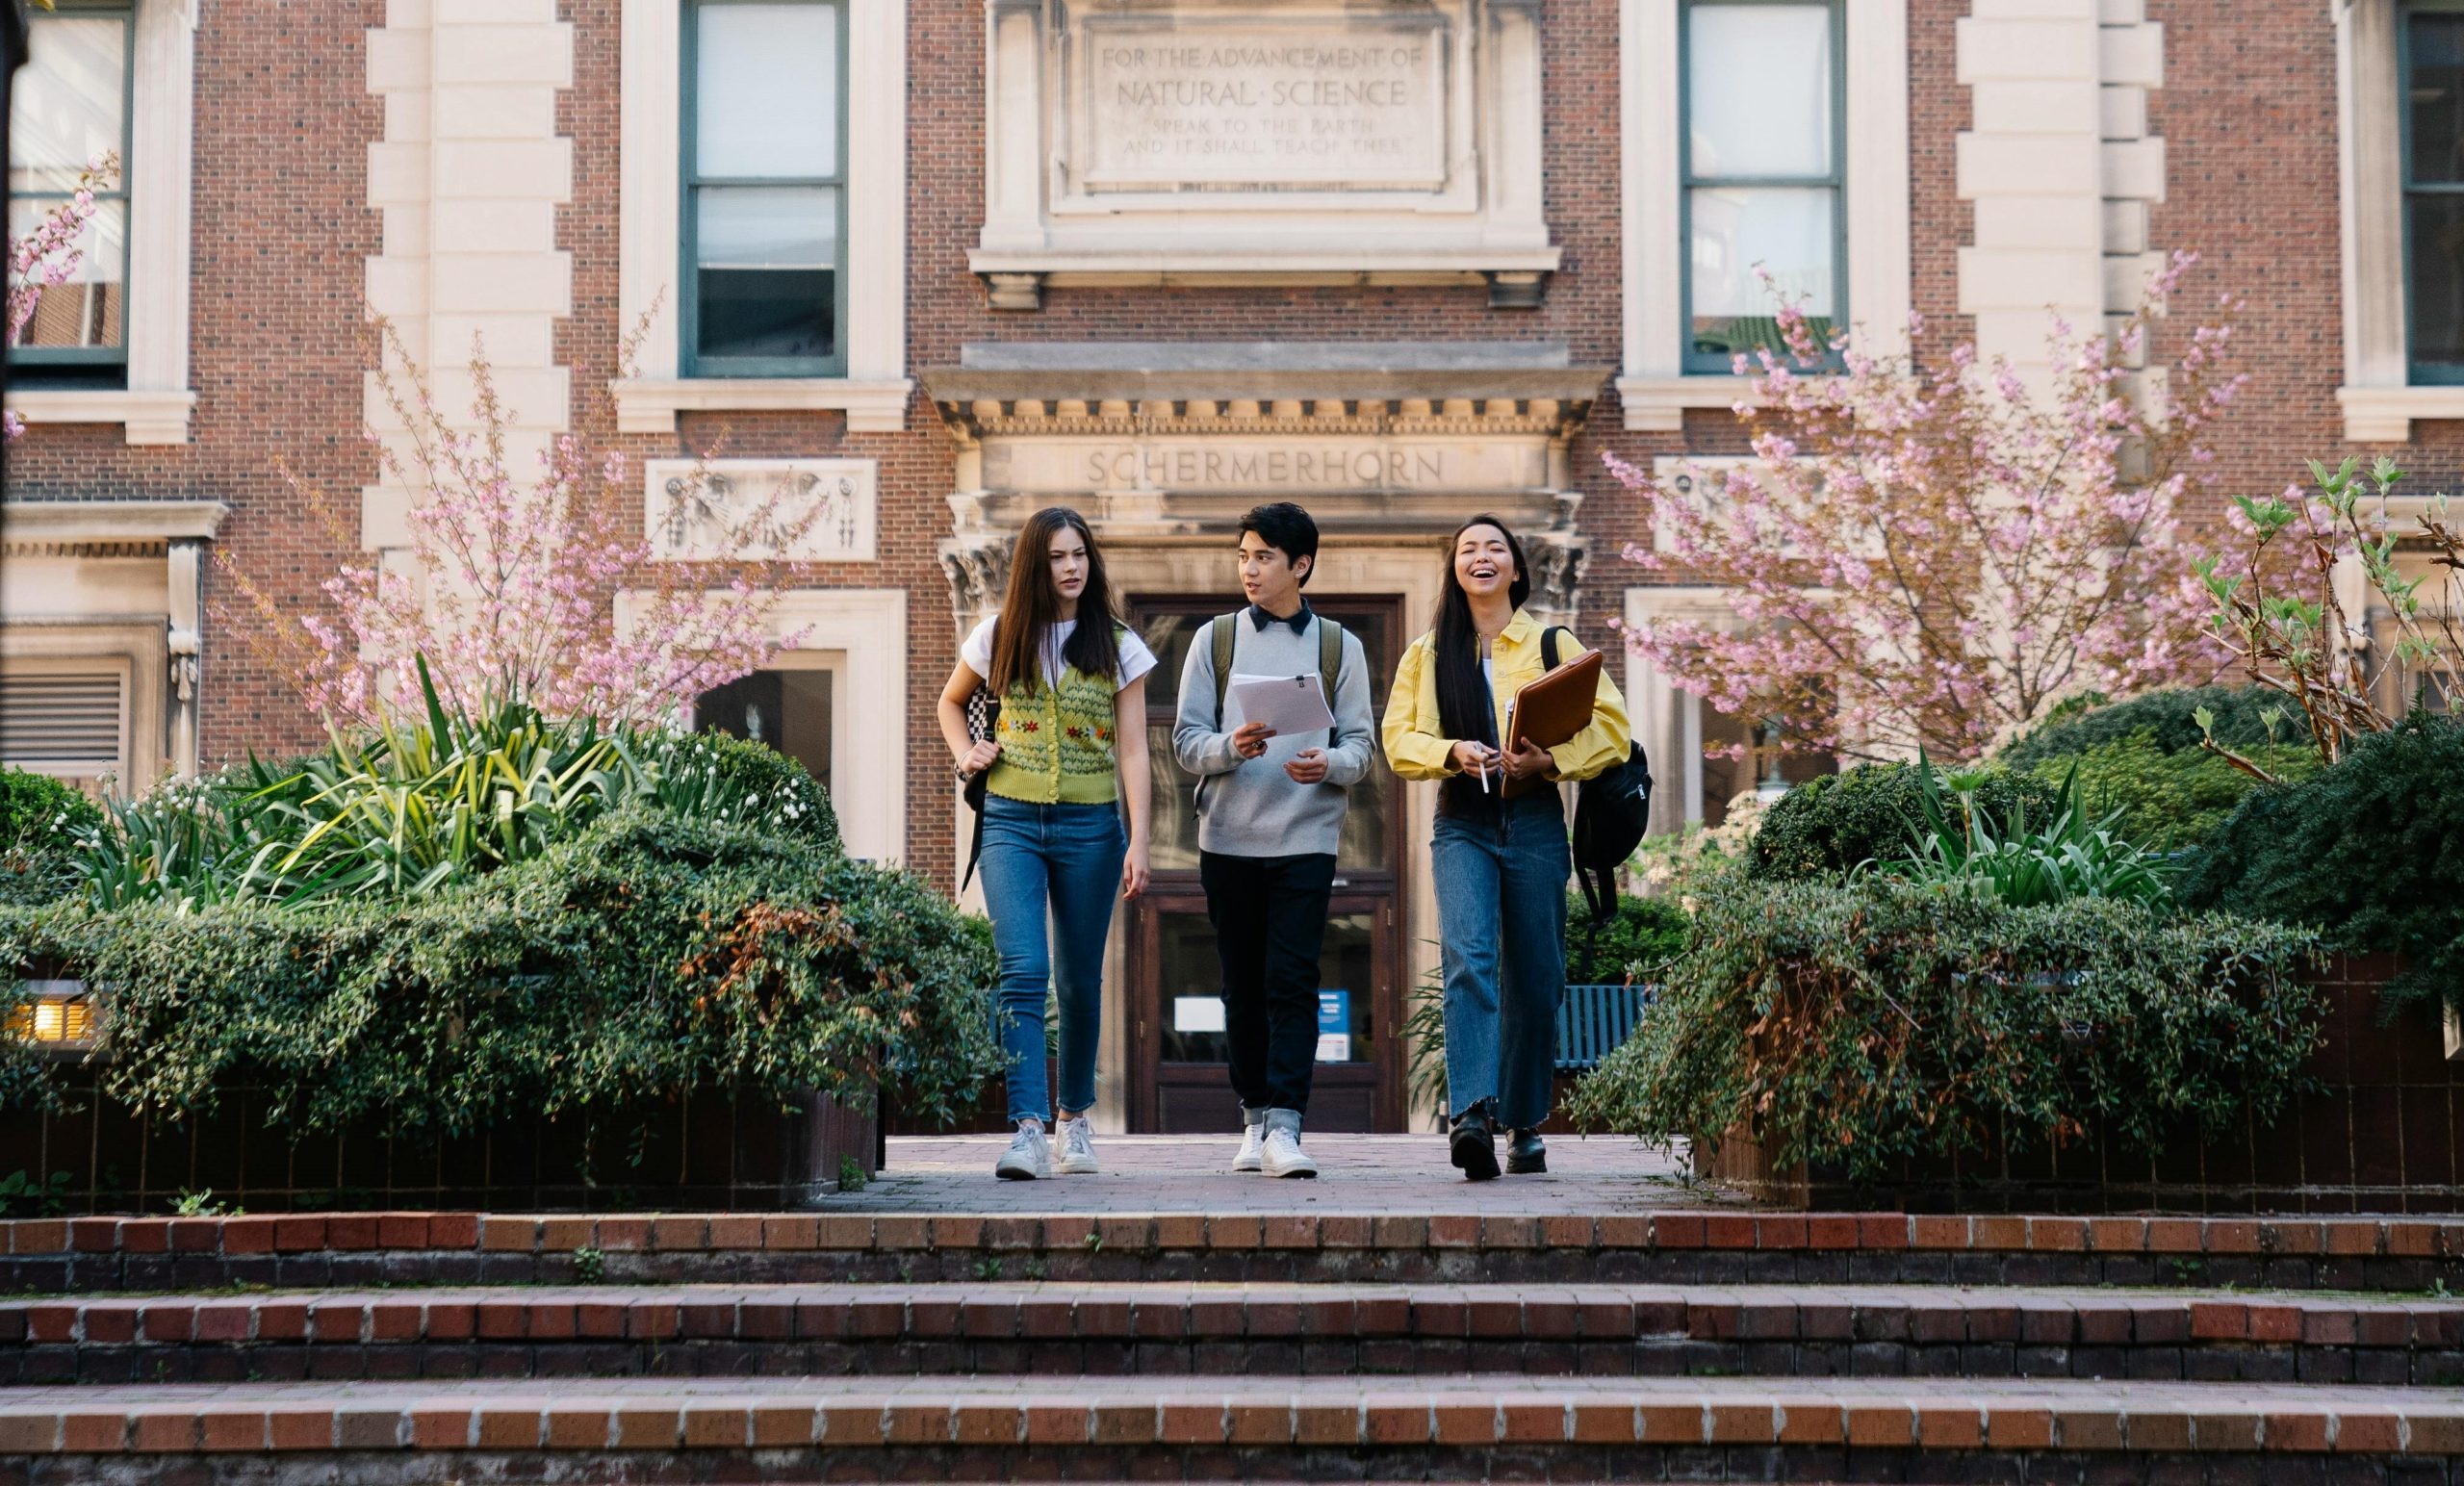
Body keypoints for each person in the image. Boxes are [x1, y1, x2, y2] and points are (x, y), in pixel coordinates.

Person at [1380, 514, 1630, 1181]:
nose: (1481, 557)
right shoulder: (1428, 655)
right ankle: (1470, 1116)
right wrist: (1451, 751)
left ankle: (1523, 1124)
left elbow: (1613, 728)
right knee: (1469, 957)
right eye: (1468, 548)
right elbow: (1398, 739)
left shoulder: (1552, 642)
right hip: (1462, 819)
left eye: (1495, 548)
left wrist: (1547, 762)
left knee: (1539, 974)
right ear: (1455, 569)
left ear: (1516, 568)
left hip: (1536, 821)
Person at [937, 507, 1154, 1180]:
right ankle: (1028, 1127)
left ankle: (1075, 1119)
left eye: (1080, 554)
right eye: (1058, 556)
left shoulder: (1116, 643)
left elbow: (1136, 751)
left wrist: (1139, 839)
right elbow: (950, 703)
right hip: (1009, 821)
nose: (1071, 567)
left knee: (1080, 981)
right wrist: (966, 753)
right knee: (1023, 972)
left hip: (1092, 829)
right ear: (1037, 564)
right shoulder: (998, 636)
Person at [1172, 502, 1374, 1179]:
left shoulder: (1340, 646)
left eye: (1263, 557)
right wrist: (1231, 746)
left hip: (1306, 839)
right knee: (1241, 988)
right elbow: (1185, 742)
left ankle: (1286, 1126)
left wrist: (1330, 764)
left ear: (1301, 565)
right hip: (1227, 839)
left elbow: (1361, 749)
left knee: (1292, 981)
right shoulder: (1215, 640)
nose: (1250, 569)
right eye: (1244, 556)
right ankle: (1254, 1116)